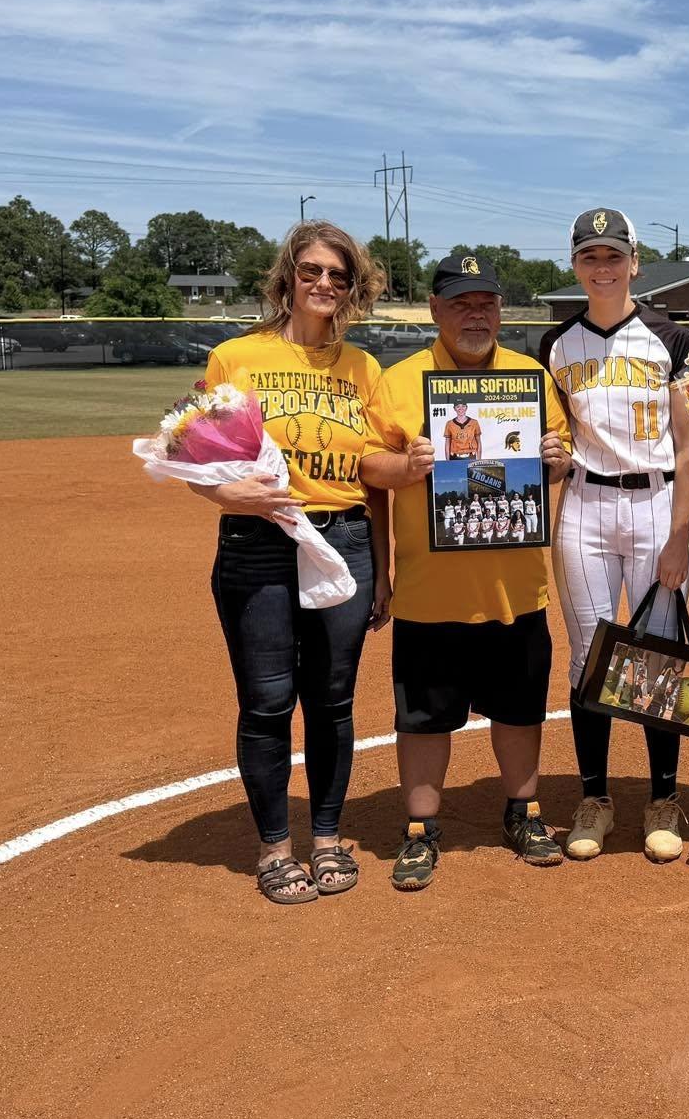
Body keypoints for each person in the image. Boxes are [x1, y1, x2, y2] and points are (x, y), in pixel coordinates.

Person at [191, 221, 392, 904]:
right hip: (260, 540)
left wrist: (384, 568)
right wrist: (222, 490)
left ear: (353, 286)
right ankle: (276, 846)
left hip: (346, 538)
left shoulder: (364, 369)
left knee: (333, 701)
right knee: (268, 699)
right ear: (287, 279)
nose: (324, 284)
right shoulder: (235, 358)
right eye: (311, 271)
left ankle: (329, 835)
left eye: (338, 274)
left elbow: (375, 476)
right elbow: (191, 453)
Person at [362, 251, 574, 889]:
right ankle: (422, 828)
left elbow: (559, 462)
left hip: (513, 583)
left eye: (486, 302)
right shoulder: (400, 380)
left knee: (519, 710)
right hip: (432, 589)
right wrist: (407, 468)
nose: (475, 314)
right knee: (423, 716)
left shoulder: (530, 377)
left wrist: (554, 458)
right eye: (460, 302)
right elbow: (368, 468)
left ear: (500, 311)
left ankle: (523, 812)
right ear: (435, 309)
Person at [539, 207, 689, 863]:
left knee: (658, 656)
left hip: (657, 503)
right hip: (583, 504)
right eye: (589, 256)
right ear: (575, 265)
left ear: (635, 263)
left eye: (613, 255)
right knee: (589, 657)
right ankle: (595, 798)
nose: (601, 267)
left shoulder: (673, 339)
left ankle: (663, 798)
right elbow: (546, 438)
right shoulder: (555, 346)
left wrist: (682, 531)